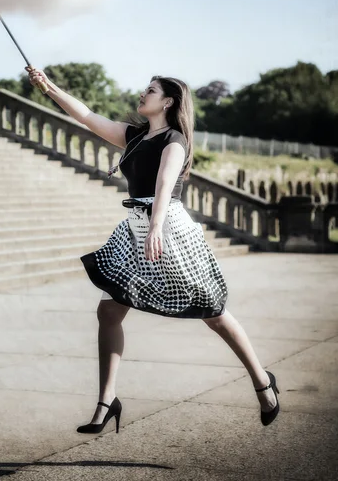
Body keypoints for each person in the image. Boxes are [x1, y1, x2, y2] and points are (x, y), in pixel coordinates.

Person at [26, 67, 280, 433]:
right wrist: (47, 87)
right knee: (109, 312)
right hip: (137, 227)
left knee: (212, 311)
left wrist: (157, 227)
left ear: (168, 101)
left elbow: (165, 184)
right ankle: (106, 401)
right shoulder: (135, 136)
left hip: (169, 228)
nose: (142, 94)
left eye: (151, 90)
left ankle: (262, 382)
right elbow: (85, 115)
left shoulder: (174, 139)